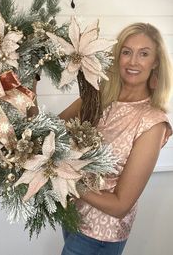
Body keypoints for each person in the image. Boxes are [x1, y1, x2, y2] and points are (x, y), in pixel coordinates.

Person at [58, 22, 173, 255]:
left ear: (156, 62)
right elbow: (52, 129)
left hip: (101, 235)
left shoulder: (152, 122)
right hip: (72, 217)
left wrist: (66, 178)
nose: (133, 61)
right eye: (127, 52)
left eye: (144, 54)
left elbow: (121, 205)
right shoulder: (99, 97)